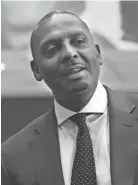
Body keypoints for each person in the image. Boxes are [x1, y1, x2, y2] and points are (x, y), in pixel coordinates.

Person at [2, 10, 138, 185]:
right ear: (36, 70)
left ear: (98, 54)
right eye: (52, 49)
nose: (69, 53)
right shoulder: (13, 157)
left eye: (79, 41)